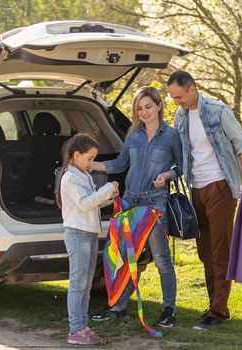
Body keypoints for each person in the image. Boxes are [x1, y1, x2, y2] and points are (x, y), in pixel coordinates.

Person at [167, 71, 242, 330]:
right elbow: (183, 155)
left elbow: (241, 143)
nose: (176, 102)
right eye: (172, 98)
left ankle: (218, 311)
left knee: (220, 249)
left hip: (221, 185)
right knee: (205, 251)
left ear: (192, 88)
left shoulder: (218, 110)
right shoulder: (180, 117)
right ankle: (214, 305)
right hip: (197, 187)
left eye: (179, 96)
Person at [90, 86, 182, 328]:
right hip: (129, 201)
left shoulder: (172, 136)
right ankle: (118, 306)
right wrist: (91, 165)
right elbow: (121, 163)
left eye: (148, 107)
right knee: (118, 255)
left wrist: (168, 175)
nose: (144, 112)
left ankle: (169, 310)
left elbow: (182, 168)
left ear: (159, 105)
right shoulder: (134, 135)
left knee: (161, 259)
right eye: (139, 108)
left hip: (155, 205)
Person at [60, 133, 119, 345]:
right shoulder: (69, 178)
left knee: (86, 284)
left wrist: (108, 196)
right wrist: (106, 189)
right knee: (78, 283)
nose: (92, 163)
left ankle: (83, 325)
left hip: (91, 234)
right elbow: (85, 203)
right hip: (78, 234)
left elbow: (93, 203)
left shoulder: (83, 174)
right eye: (90, 158)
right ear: (77, 155)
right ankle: (75, 329)